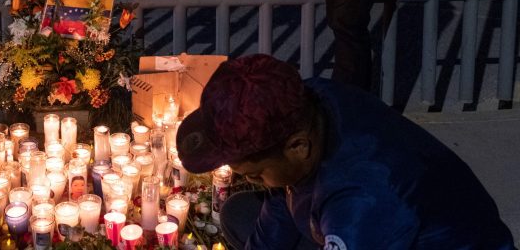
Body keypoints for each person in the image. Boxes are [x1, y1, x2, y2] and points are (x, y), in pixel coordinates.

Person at [176, 55, 516, 250]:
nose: (252, 180)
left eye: (254, 173)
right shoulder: (308, 101)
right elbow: (280, 196)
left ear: (297, 146)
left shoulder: (362, 200)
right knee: (241, 213)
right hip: (367, 222)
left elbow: (355, 212)